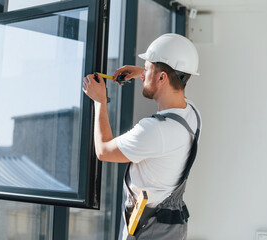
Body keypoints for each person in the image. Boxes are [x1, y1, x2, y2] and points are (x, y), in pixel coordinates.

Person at [82, 33, 202, 240]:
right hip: (168, 226)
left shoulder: (154, 130)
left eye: (147, 69)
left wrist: (99, 101)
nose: (143, 73)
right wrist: (144, 74)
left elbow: (103, 151)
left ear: (162, 77)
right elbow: (172, 86)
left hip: (150, 231)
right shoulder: (192, 113)